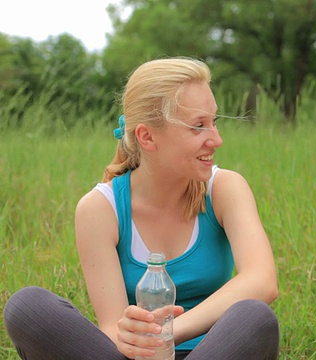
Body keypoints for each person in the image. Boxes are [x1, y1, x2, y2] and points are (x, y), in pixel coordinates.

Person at [4, 57, 280, 359]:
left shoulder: (225, 188)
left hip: (214, 352)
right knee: (27, 307)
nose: (216, 139)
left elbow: (262, 280)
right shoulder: (99, 209)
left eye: (214, 122)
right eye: (198, 126)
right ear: (147, 137)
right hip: (136, 356)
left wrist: (169, 332)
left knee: (254, 316)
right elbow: (113, 329)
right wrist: (139, 341)